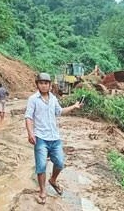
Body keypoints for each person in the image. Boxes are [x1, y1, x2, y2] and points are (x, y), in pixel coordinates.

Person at [25, 72, 82, 204]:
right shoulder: (33, 99)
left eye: (46, 83)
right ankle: (42, 191)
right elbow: (28, 117)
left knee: (60, 163)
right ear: (37, 84)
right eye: (41, 83)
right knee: (41, 166)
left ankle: (53, 180)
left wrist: (74, 106)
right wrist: (30, 133)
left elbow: (60, 111)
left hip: (55, 138)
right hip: (41, 138)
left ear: (50, 85)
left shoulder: (53, 99)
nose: (44, 86)